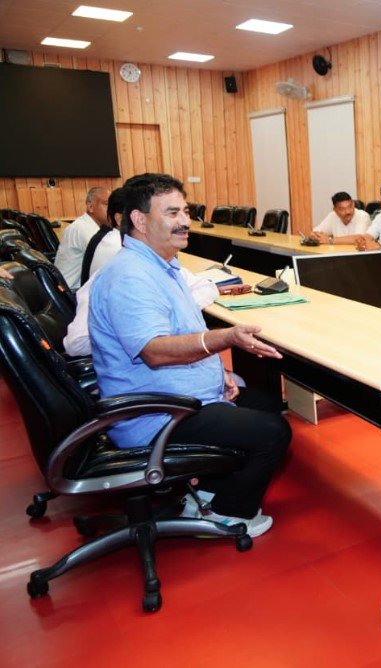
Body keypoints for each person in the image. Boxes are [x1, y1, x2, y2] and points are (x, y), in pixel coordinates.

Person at [89, 173, 291, 538]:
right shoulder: (131, 276)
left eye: (185, 211)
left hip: (174, 397)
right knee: (273, 432)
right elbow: (155, 351)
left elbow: (181, 333)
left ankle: (209, 493)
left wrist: (219, 375)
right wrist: (226, 338)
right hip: (155, 414)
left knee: (266, 403)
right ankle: (228, 513)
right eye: (172, 213)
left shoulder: (160, 266)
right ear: (139, 220)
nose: (185, 221)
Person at [54, 186, 110, 289]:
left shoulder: (87, 224)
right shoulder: (84, 228)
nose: (112, 209)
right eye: (107, 204)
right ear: (90, 207)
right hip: (72, 291)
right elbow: (109, 261)